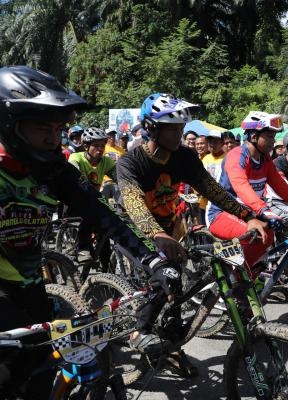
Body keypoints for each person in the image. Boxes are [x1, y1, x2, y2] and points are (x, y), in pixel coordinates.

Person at [0, 66, 178, 399]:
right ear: (10, 126)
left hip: (31, 286)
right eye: (42, 128)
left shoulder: (53, 168)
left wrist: (152, 261)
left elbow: (103, 215)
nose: (54, 139)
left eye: (59, 128)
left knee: (40, 372)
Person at [117, 93, 265, 352]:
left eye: (181, 129)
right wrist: (156, 235)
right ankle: (139, 331)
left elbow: (212, 190)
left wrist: (249, 216)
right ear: (152, 128)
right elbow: (133, 204)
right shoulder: (130, 162)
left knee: (178, 281)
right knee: (163, 275)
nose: (180, 136)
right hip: (135, 230)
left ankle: (170, 338)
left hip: (171, 226)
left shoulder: (184, 156)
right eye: (173, 130)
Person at [207, 111, 288, 273]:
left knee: (267, 240)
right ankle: (234, 277)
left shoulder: (265, 159)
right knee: (260, 236)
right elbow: (241, 186)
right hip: (220, 213)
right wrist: (264, 211)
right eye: (269, 136)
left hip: (248, 213)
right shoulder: (237, 155)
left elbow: (280, 186)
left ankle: (247, 275)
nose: (273, 141)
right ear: (254, 137)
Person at [68, 127, 118, 264]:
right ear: (86, 146)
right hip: (75, 199)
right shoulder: (76, 158)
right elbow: (75, 179)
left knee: (105, 230)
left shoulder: (106, 161)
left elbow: (119, 178)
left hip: (94, 199)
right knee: (88, 212)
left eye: (103, 145)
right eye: (96, 145)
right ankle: (82, 248)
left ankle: (106, 267)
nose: (100, 149)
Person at [196, 129, 228, 224]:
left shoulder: (228, 158)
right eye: (210, 141)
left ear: (222, 143)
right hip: (204, 204)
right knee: (205, 233)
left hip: (221, 205)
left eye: (216, 141)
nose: (212, 144)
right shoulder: (205, 158)